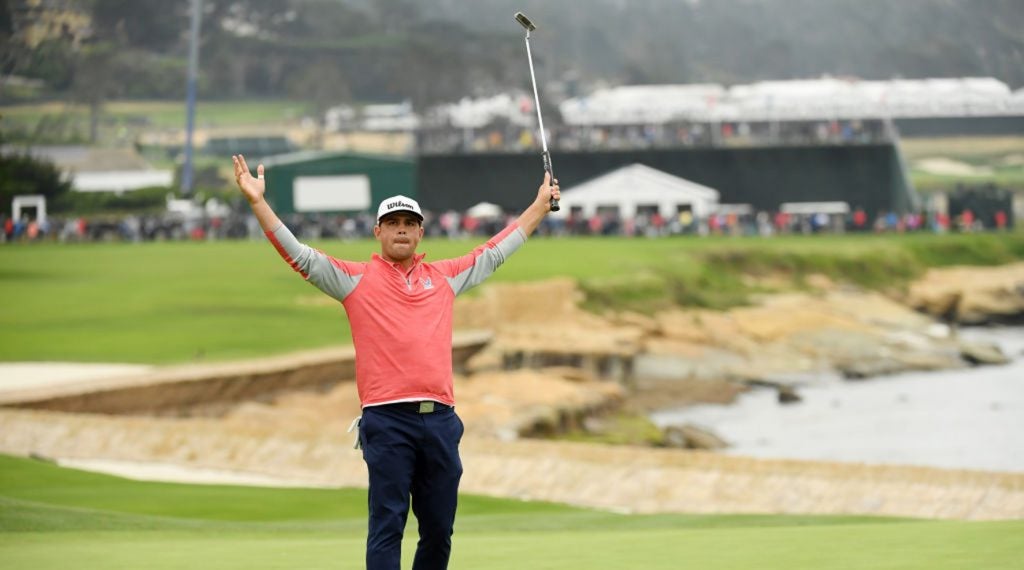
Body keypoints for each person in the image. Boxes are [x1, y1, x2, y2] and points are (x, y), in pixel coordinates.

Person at [232, 154, 560, 570]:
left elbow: (495, 251)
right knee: (387, 524)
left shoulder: (444, 277)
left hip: (440, 421)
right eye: (392, 223)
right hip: (387, 421)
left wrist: (539, 206)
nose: (401, 229)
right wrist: (258, 203)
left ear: (421, 232)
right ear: (378, 232)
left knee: (439, 531)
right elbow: (300, 256)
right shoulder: (353, 279)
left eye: (409, 223)